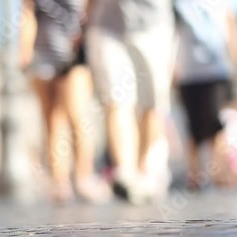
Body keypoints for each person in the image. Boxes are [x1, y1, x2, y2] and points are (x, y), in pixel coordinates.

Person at [86, 0, 176, 204]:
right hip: (108, 24)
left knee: (152, 104)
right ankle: (126, 173)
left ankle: (143, 170)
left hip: (154, 24)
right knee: (116, 100)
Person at [29, 0, 111, 203]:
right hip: (43, 53)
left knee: (78, 115)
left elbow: (92, 9)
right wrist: (25, 52)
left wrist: (86, 34)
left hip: (74, 52)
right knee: (51, 120)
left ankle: (83, 177)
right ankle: (60, 182)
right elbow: (27, 13)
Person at [174, 0, 237, 189]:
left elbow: (232, 33)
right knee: (192, 127)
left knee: (217, 125)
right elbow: (172, 34)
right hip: (188, 73)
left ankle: (219, 173)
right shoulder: (180, 3)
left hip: (217, 72)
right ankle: (194, 175)